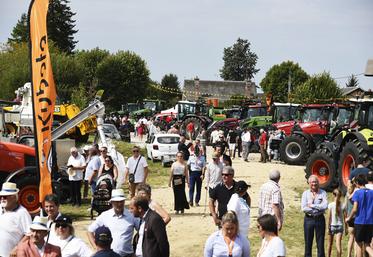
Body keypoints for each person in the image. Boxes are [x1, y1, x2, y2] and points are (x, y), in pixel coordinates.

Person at [87, 189, 140, 257]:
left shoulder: (131, 215)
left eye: (121, 201)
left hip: (127, 255)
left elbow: (142, 231)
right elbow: (90, 231)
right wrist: (96, 248)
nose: (119, 204)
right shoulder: (105, 215)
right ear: (112, 202)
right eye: (116, 202)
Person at [0, 182, 32, 257]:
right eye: (1, 196)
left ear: (14, 197)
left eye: (5, 197)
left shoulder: (22, 213)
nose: (2, 199)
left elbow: (29, 234)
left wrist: (17, 248)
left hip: (11, 255)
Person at [345, 174, 373, 257]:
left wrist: (349, 218)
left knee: (358, 244)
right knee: (367, 245)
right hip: (370, 222)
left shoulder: (357, 193)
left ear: (357, 183)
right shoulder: (372, 193)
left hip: (359, 222)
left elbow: (355, 209)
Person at [301, 175, 328, 257]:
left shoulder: (323, 193)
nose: (314, 184)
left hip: (320, 219)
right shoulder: (305, 194)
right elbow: (304, 208)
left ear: (318, 183)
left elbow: (325, 206)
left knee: (320, 242)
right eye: (312, 182)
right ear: (309, 183)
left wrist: (312, 206)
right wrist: (319, 208)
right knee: (308, 242)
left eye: (316, 182)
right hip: (309, 219)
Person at [327, 188, 345, 257]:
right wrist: (346, 227)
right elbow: (344, 217)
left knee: (329, 244)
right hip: (340, 226)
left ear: (333, 195)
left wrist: (328, 227)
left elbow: (329, 218)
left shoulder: (331, 205)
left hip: (332, 226)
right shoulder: (342, 205)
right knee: (338, 245)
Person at [344, 182, 356, 257]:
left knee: (351, 237)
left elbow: (345, 207)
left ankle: (348, 255)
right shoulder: (356, 195)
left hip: (349, 218)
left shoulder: (346, 195)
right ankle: (356, 254)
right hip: (356, 217)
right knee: (356, 239)